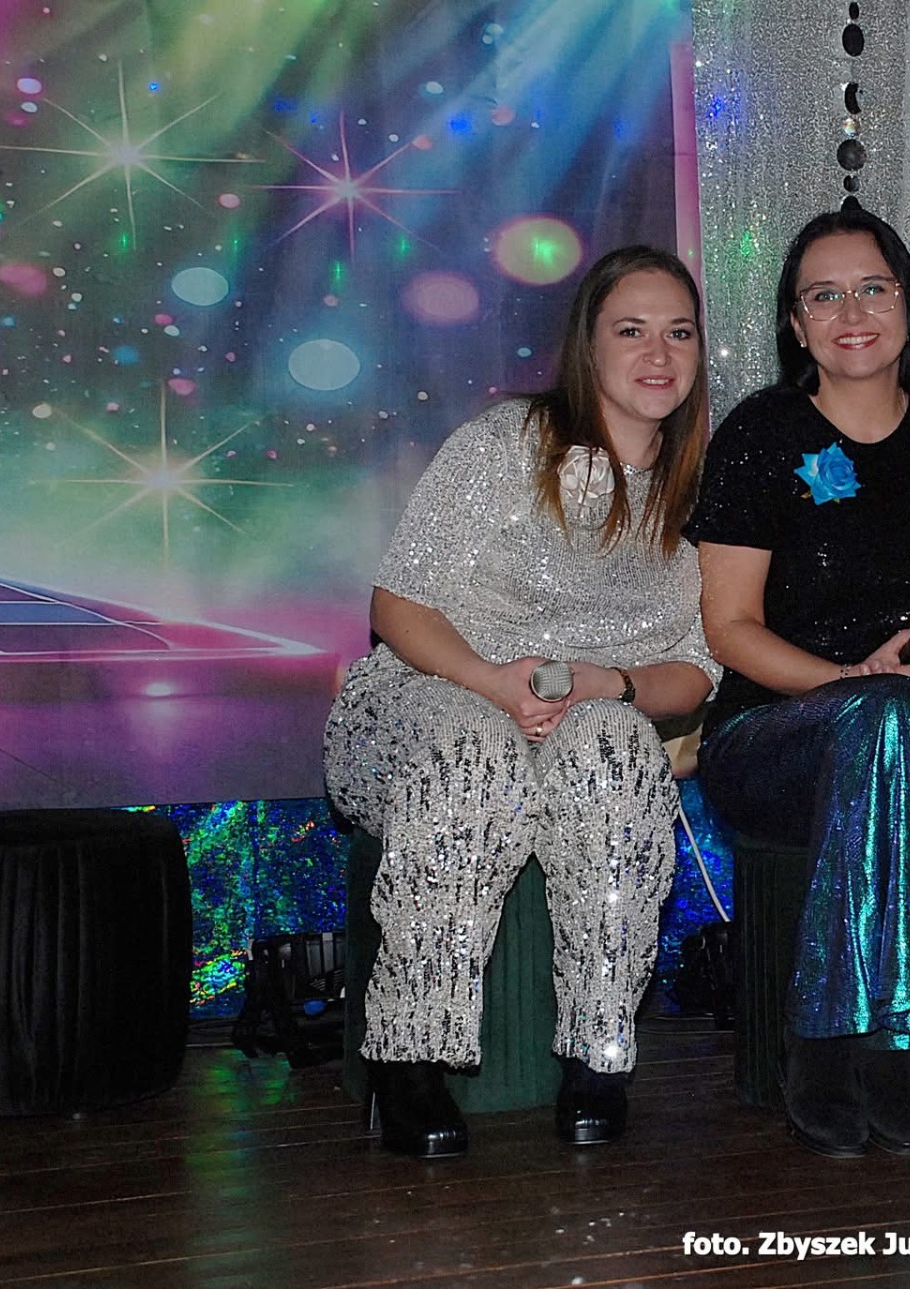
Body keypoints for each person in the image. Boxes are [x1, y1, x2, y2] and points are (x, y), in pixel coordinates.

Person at [323, 246, 718, 1159]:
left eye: (679, 333)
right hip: (433, 692)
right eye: (631, 330)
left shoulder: (703, 487)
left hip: (580, 717)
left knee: (616, 748)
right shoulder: (509, 443)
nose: (658, 353)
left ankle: (596, 1054)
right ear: (589, 344)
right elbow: (398, 604)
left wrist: (605, 683)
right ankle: (409, 1059)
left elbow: (696, 671)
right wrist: (492, 682)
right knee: (479, 755)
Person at [687, 206, 910, 1159]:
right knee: (879, 715)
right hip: (773, 732)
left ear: (907, 306)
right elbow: (730, 628)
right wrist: (851, 680)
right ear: (796, 326)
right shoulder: (761, 436)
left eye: (872, 288)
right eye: (824, 295)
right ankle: (831, 1037)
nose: (852, 312)